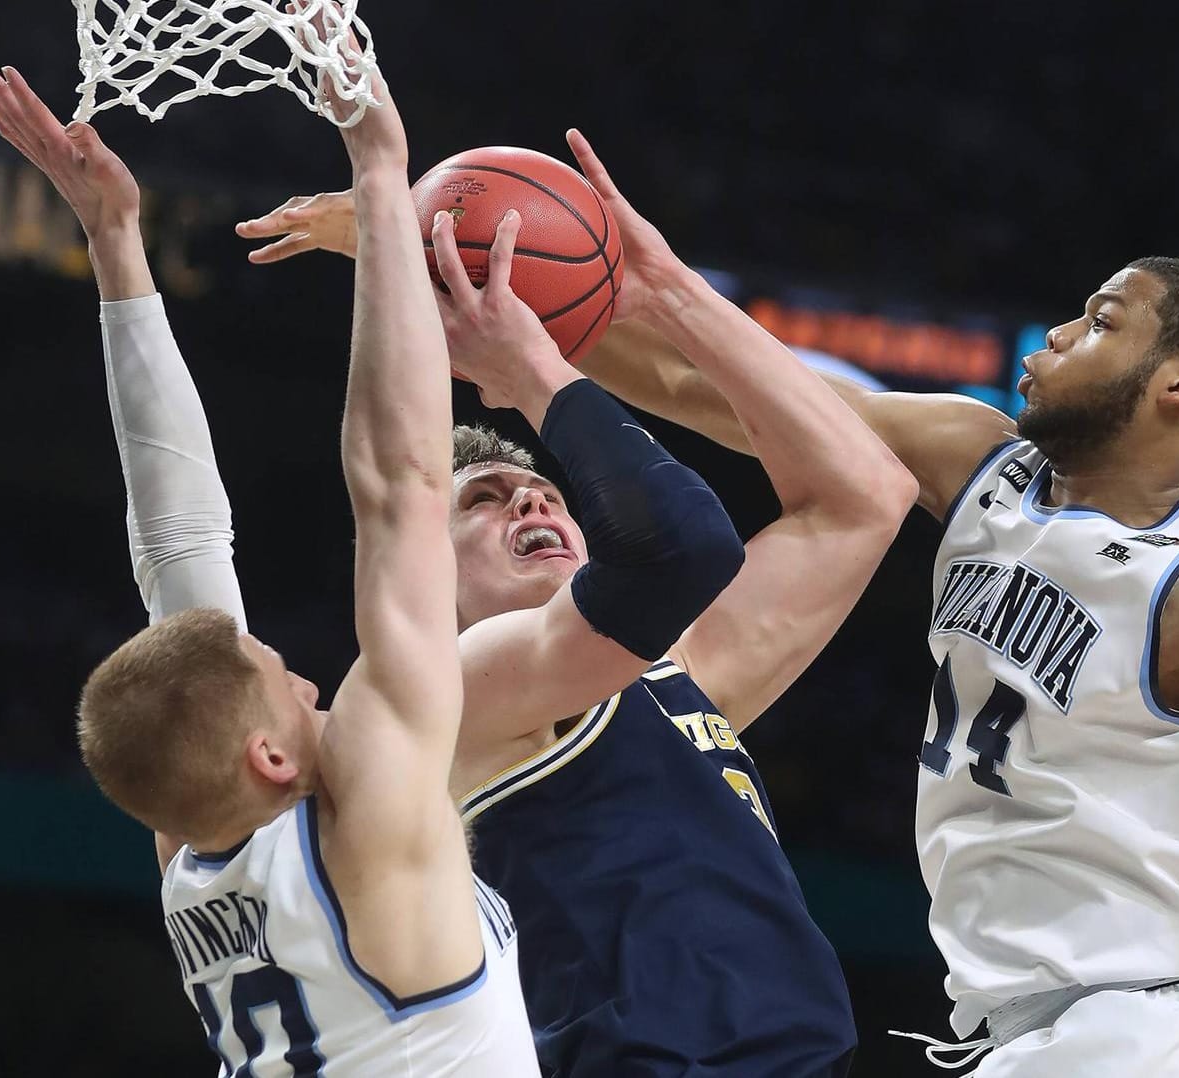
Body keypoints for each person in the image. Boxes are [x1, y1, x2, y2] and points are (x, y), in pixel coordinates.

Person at [575, 257, 1179, 1076]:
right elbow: (716, 393)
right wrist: (526, 335)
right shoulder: (977, 459)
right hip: (1037, 1029)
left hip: (1147, 1030)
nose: (1062, 332)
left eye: (1103, 321)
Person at [237, 130, 919, 1076]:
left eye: (547, 489)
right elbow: (676, 545)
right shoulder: (449, 701)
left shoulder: (672, 676)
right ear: (420, 570)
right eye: (486, 499)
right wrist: (535, 379)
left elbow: (866, 494)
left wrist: (669, 292)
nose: (534, 494)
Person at [0, 63, 539, 1075]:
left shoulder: (194, 854)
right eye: (292, 682)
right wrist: (377, 158)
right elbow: (405, 482)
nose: (313, 680)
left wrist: (114, 242)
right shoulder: (370, 816)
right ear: (272, 757)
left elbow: (178, 544)